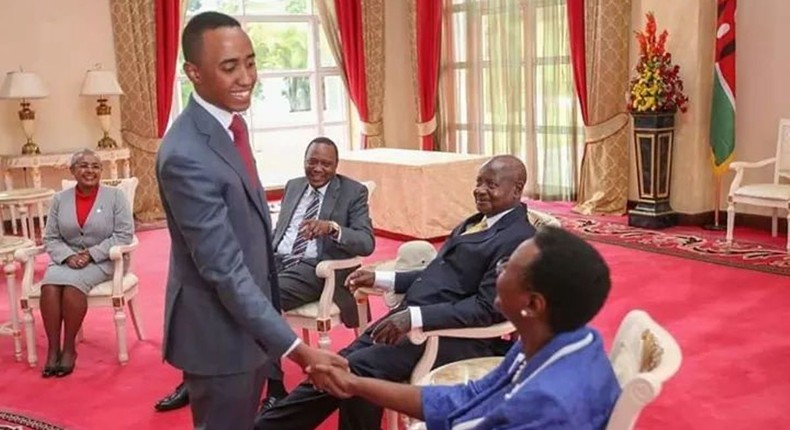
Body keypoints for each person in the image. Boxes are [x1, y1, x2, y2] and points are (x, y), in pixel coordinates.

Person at [156, 11, 347, 430]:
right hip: (218, 336)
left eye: (250, 61)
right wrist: (298, 348)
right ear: (193, 73)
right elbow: (223, 270)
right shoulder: (186, 153)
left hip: (248, 323)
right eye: (229, 67)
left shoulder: (228, 127)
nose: (246, 77)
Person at [255, 155, 536, 430]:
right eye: (478, 182)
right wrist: (382, 278)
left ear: (517, 189)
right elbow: (437, 275)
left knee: (354, 370)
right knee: (336, 364)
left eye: (491, 184)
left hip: (449, 337)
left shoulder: (517, 238)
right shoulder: (476, 220)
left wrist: (413, 317)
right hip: (408, 322)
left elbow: (486, 309)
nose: (480, 190)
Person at [310, 227, 622, 430]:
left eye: (508, 267)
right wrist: (354, 385)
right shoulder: (565, 337)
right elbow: (469, 397)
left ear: (534, 304)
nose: (496, 272)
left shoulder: (547, 405)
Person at [155, 136, 374, 413]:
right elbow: (277, 234)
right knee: (212, 291)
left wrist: (330, 227)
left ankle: (274, 387)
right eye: (312, 162)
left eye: (325, 164)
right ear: (304, 161)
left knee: (258, 300)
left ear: (336, 165)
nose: (317, 168)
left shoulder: (352, 192)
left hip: (316, 269)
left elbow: (367, 243)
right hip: (276, 262)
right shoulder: (295, 186)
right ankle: (197, 378)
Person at [39, 149, 134, 378]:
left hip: (105, 259)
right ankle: (53, 349)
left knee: (73, 286)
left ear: (100, 170)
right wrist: (68, 256)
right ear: (72, 171)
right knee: (49, 287)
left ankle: (69, 348)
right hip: (66, 258)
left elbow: (124, 234)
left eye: (94, 166)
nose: (89, 171)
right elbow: (50, 237)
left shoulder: (115, 196)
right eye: (83, 165)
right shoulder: (59, 199)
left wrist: (90, 254)